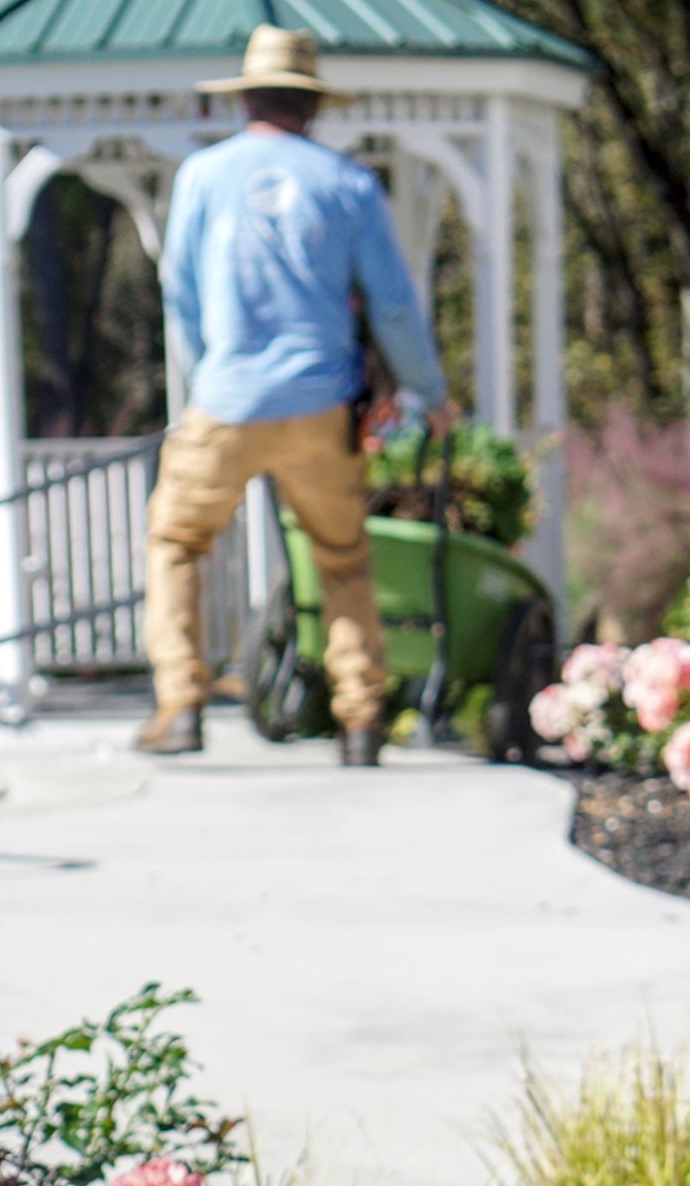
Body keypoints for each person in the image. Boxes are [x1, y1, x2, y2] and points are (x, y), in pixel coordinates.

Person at [138, 24, 451, 766]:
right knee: (342, 557)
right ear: (312, 106)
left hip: (227, 401)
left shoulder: (203, 177)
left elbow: (179, 295)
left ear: (245, 99)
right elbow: (393, 304)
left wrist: (204, 376)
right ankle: (362, 717)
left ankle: (181, 703)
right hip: (320, 404)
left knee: (177, 544)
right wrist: (428, 391)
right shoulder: (346, 183)